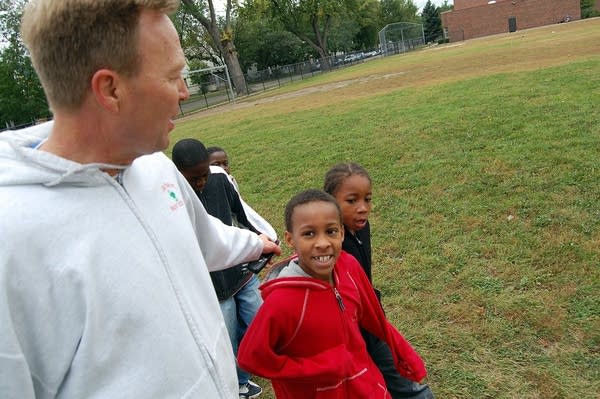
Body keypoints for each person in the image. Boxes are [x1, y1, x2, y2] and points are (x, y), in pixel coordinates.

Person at [0, 1, 280, 399]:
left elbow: (204, 240)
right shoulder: (10, 240)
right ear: (110, 89)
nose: (184, 92)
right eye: (173, 76)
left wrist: (257, 243)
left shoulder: (157, 170)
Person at [237, 189, 427, 398]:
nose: (323, 243)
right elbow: (251, 357)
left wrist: (404, 355)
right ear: (290, 239)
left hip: (367, 387)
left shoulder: (348, 266)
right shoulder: (281, 302)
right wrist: (320, 367)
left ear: (342, 233)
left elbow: (375, 317)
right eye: (309, 233)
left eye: (331, 231)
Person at [324, 162, 435, 399]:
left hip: (371, 322)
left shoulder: (362, 229)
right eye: (352, 201)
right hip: (348, 334)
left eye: (368, 199)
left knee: (404, 382)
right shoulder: (329, 247)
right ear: (330, 202)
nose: (363, 208)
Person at [172, 138, 265, 399]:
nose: (201, 182)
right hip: (212, 287)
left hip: (242, 273)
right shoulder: (172, 198)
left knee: (258, 320)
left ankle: (247, 365)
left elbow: (242, 213)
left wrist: (263, 239)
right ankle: (239, 384)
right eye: (193, 179)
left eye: (204, 175)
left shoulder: (220, 180)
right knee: (226, 340)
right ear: (178, 173)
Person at [207, 146, 278, 241]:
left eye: (225, 164)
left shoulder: (231, 180)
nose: (223, 168)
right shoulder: (211, 187)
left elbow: (239, 208)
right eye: (216, 165)